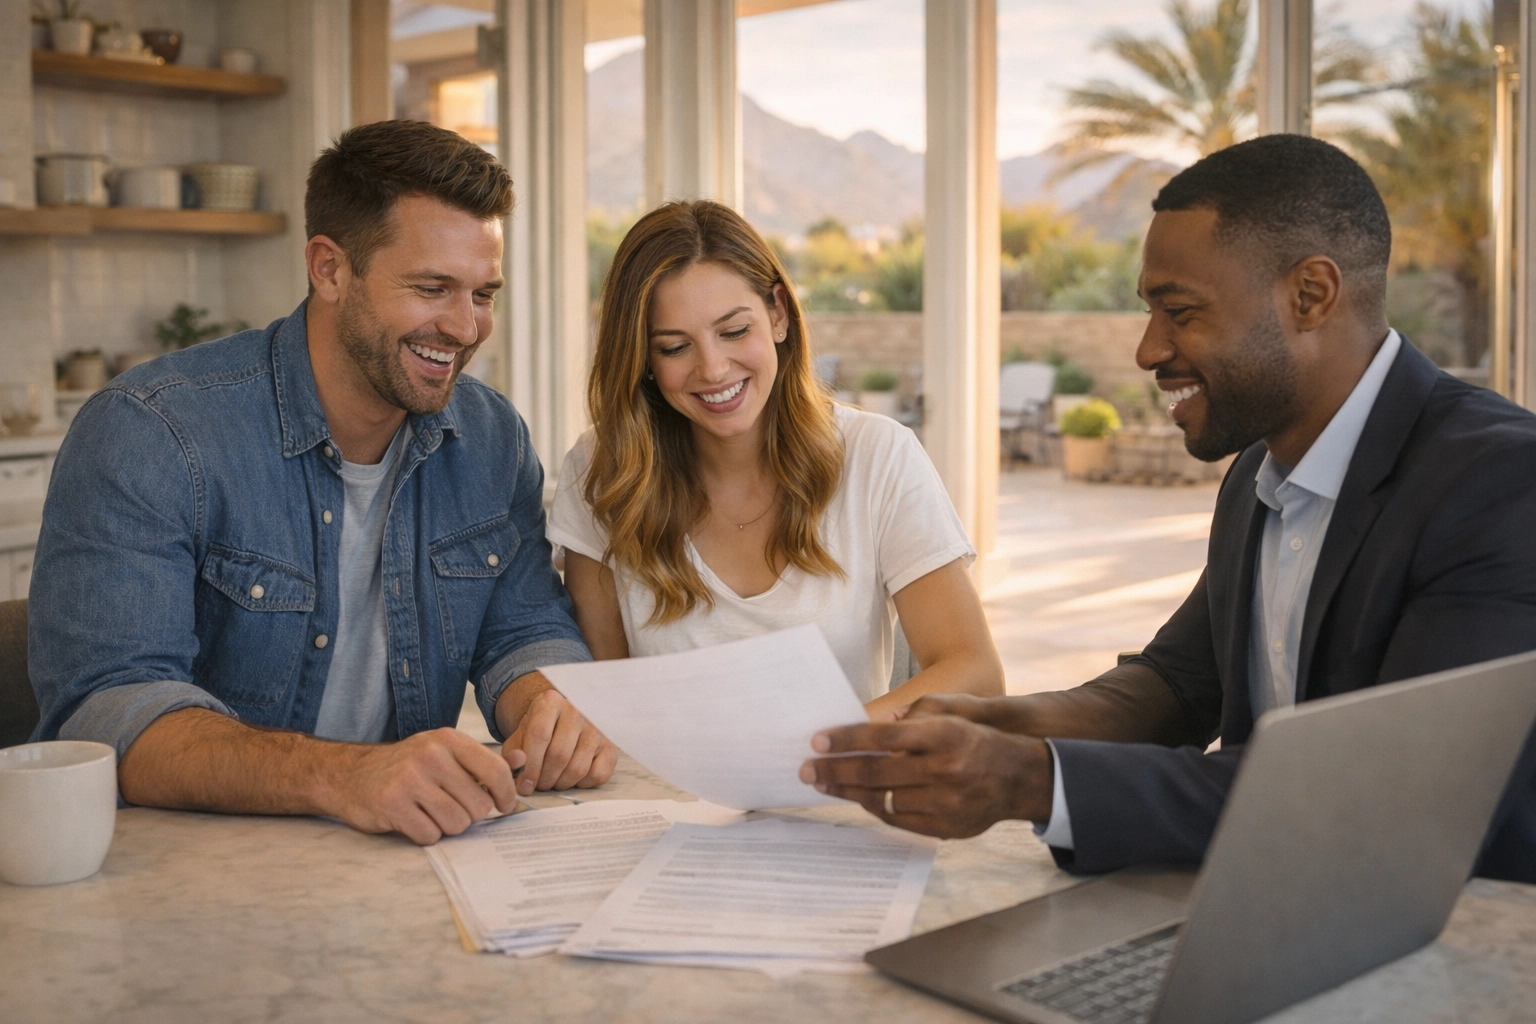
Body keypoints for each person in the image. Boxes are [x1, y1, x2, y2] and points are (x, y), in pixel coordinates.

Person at [802, 134, 1536, 883]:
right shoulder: (1260, 473)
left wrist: (1032, 779)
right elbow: (1176, 688)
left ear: (1310, 295)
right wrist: (1002, 724)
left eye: (1179, 311)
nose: (1149, 351)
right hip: (1275, 911)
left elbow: (1398, 799)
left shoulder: (1501, 482)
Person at [29, 120, 616, 846]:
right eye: (433, 288)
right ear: (330, 269)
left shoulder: (492, 436)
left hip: (402, 861)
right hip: (185, 877)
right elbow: (108, 711)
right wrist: (344, 776)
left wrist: (548, 698)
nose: (465, 329)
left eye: (483, 294)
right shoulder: (151, 433)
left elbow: (524, 629)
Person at [547, 201, 1003, 718]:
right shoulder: (603, 468)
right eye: (674, 347)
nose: (714, 369)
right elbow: (603, 700)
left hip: (835, 785)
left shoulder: (880, 456)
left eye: (735, 331)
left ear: (778, 315)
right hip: (668, 797)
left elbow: (976, 675)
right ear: (643, 359)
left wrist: (814, 748)